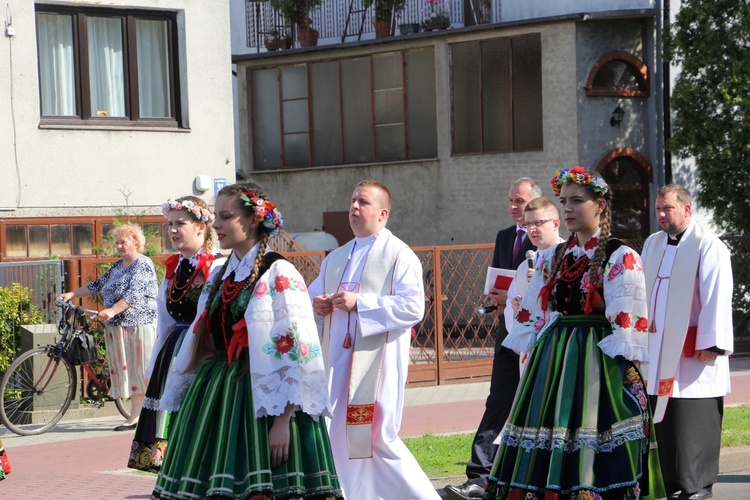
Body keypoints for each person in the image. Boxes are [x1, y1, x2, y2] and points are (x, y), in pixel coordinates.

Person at [152, 182, 342, 499]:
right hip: (216, 395)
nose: (216, 225)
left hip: (266, 402)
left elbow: (296, 351)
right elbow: (202, 337)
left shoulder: (278, 271)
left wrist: (283, 422)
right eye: (217, 216)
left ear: (252, 220)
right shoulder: (219, 274)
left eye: (226, 217)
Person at [484, 167, 665, 499]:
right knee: (549, 437)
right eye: (563, 201)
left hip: (598, 362)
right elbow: (534, 311)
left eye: (577, 201)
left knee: (596, 439)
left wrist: (621, 373)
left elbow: (627, 323)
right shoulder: (554, 256)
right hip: (554, 361)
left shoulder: (619, 255)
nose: (567, 208)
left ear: (600, 206)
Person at [309, 180, 438, 500]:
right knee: (338, 434)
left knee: (376, 437)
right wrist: (319, 305)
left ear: (382, 213)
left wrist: (361, 303)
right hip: (337, 364)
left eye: (362, 202)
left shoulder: (399, 256)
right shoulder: (335, 258)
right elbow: (314, 297)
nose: (354, 207)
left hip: (376, 366)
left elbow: (413, 307)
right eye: (352, 201)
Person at [445, 178, 541, 500]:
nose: (515, 206)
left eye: (521, 201)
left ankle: (529, 476)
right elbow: (500, 278)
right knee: (497, 400)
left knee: (534, 405)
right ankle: (478, 476)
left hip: (535, 337)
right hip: (506, 333)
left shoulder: (545, 240)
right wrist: (496, 298)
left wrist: (513, 294)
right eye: (511, 200)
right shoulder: (504, 237)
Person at [641, 184, 733, 500]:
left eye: (668, 208)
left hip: (693, 352)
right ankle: (668, 481)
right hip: (657, 351)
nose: (662, 215)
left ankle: (698, 483)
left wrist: (711, 343)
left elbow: (717, 297)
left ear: (686, 209)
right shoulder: (652, 244)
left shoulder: (708, 246)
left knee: (692, 418)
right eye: (658, 209)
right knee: (664, 420)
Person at [128, 196, 225, 473]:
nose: (172, 230)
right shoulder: (174, 268)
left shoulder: (217, 266)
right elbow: (165, 321)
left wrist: (188, 357)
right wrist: (153, 364)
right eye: (170, 224)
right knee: (167, 419)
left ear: (200, 227)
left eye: (180, 223)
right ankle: (173, 476)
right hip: (173, 350)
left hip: (202, 351)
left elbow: (206, 318)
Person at [59, 223, 158, 431]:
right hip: (118, 327)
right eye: (117, 243)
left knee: (139, 370)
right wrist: (73, 294)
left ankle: (137, 417)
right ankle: (137, 413)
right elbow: (98, 284)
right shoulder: (118, 265)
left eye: (124, 242)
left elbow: (133, 295)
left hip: (138, 325)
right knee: (128, 371)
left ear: (136, 242)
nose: (119, 246)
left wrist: (112, 310)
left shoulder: (143, 264)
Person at [502, 196, 565, 373]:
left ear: (555, 224)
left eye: (538, 222)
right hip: (531, 353)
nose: (532, 229)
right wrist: (517, 308)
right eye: (528, 224)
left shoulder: (570, 258)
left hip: (560, 347)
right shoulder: (524, 267)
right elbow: (510, 311)